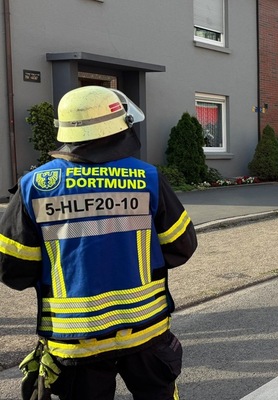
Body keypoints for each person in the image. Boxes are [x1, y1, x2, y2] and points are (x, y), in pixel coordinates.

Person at [0, 86, 197, 399]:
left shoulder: (34, 186)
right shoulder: (147, 178)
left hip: (75, 340)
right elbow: (181, 246)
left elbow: (14, 270)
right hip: (145, 331)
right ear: (119, 128)